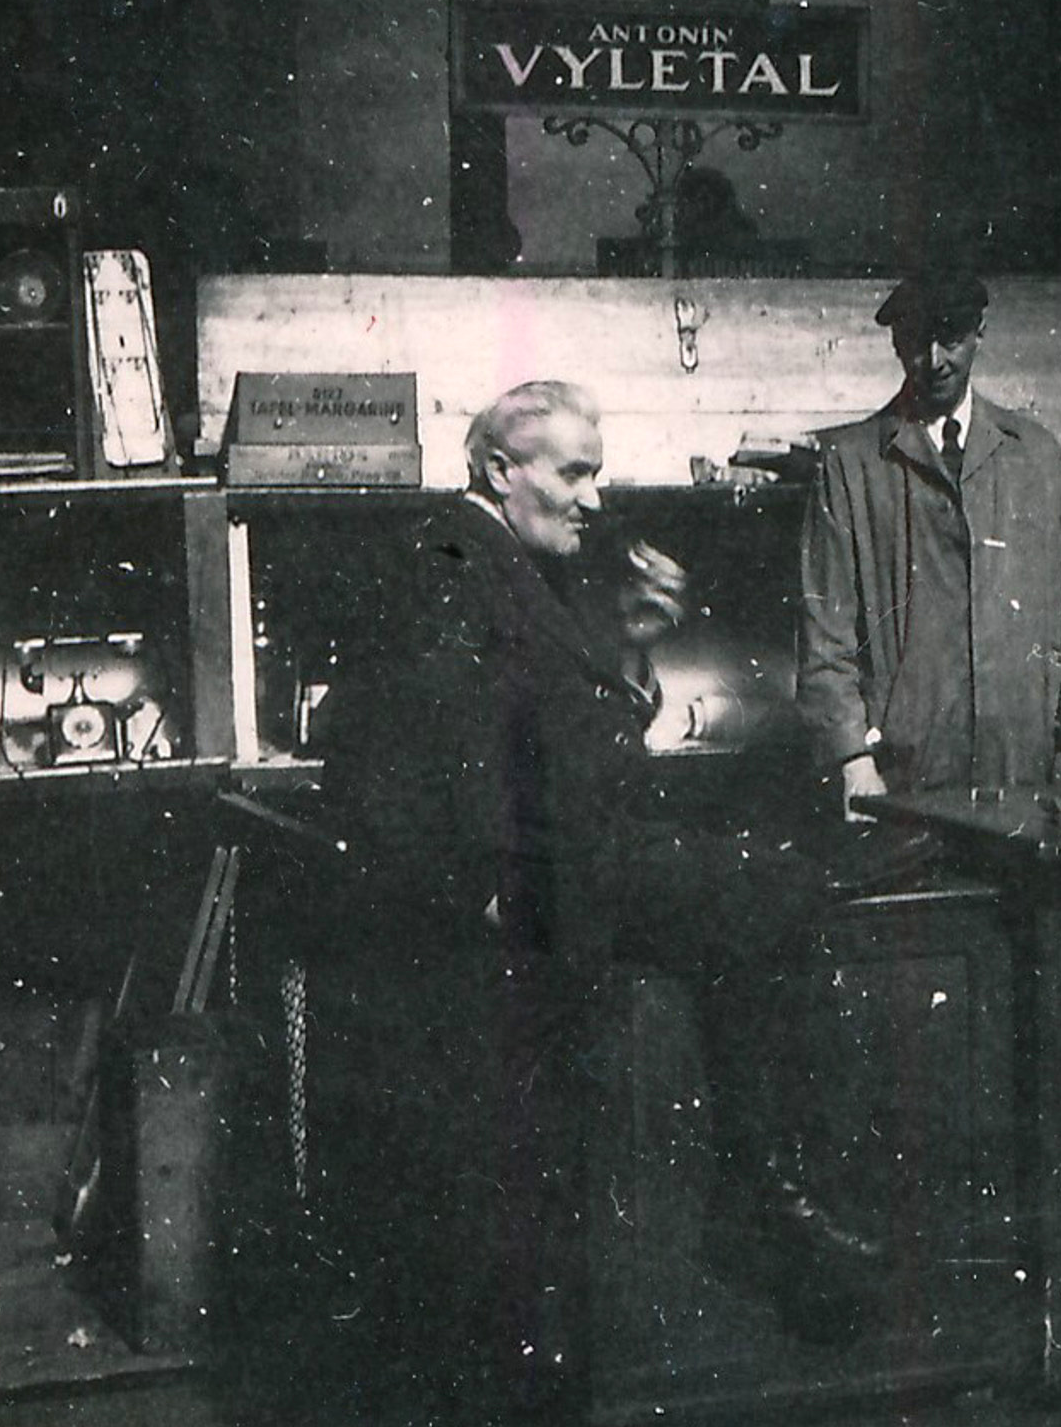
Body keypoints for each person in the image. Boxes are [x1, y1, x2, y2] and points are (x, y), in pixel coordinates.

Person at [305, 380, 876, 1425]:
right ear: (498, 470)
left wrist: (628, 642)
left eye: (595, 473)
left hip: (559, 864)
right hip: (528, 885)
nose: (594, 498)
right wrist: (484, 893)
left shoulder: (508, 564)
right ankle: (758, 1196)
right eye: (573, 473)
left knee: (769, 885)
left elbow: (574, 738)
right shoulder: (449, 559)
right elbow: (426, 749)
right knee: (780, 887)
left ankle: (758, 1191)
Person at [797, 269, 1061, 807]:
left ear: (980, 332)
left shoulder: (1035, 456)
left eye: (951, 338)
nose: (935, 359)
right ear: (897, 344)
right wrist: (853, 761)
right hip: (902, 778)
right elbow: (825, 634)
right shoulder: (849, 466)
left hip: (1024, 771)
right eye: (918, 341)